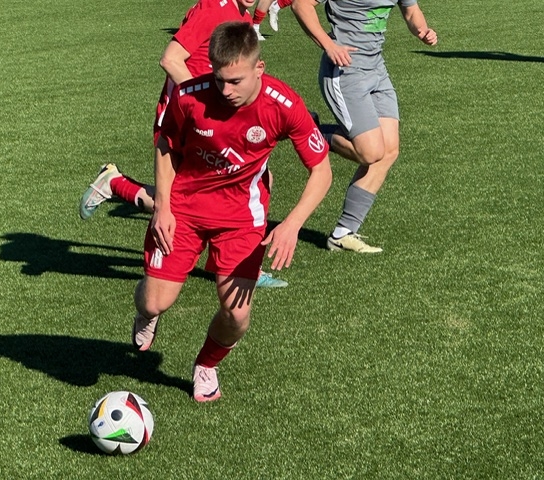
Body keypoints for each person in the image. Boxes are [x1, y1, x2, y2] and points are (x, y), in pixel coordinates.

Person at [132, 21, 332, 402]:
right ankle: (146, 314)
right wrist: (163, 207)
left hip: (241, 218)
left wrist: (292, 225)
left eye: (235, 81)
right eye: (219, 79)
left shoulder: (284, 105)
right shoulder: (189, 96)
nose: (226, 91)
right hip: (184, 209)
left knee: (237, 314)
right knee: (154, 300)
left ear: (260, 68)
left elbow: (322, 171)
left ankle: (206, 365)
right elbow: (165, 145)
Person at [79, 0, 286, 287]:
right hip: (186, 121)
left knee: (256, 180)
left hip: (213, 120)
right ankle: (116, 184)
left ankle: (242, 264)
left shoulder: (241, 15)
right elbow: (170, 59)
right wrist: (203, 103)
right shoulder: (212, 8)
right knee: (181, 199)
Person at [291, 0, 437, 252]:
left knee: (389, 150)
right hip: (345, 71)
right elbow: (300, 5)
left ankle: (343, 233)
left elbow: (412, 11)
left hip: (376, 69)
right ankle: (309, 131)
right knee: (370, 152)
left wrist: (422, 30)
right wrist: (329, 45)